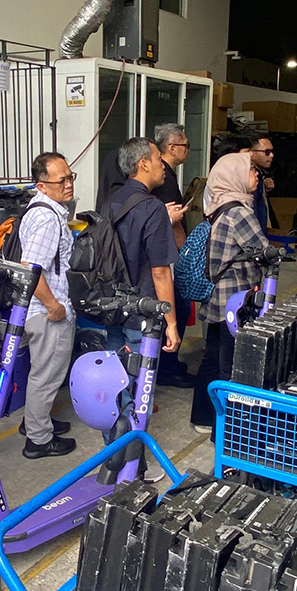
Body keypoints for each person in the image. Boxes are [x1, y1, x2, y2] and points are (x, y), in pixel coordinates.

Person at [190, 151, 269, 433]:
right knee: (230, 364)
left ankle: (202, 417)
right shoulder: (240, 212)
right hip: (235, 300)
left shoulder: (217, 205)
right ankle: (227, 430)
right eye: (250, 170)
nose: (256, 175)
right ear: (234, 174)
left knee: (211, 358)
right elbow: (263, 252)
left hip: (215, 296)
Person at [17, 152, 78, 458]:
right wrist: (53, 305)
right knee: (47, 373)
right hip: (46, 310)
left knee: (42, 371)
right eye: (61, 180)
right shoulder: (47, 218)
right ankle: (38, 440)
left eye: (70, 177)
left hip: (40, 308)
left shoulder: (45, 210)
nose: (68, 184)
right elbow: (31, 267)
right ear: (41, 185)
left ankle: (35, 422)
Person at [109, 137, 182, 358]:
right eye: (159, 159)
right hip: (143, 310)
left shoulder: (112, 200)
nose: (163, 166)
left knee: (115, 376)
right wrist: (171, 323)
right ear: (144, 164)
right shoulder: (153, 208)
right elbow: (160, 271)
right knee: (140, 383)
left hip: (113, 306)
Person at [152, 123, 198, 387]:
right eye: (185, 146)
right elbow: (175, 223)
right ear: (172, 148)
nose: (188, 151)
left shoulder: (167, 176)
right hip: (168, 255)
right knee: (175, 310)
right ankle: (168, 367)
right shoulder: (165, 179)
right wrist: (186, 254)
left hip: (165, 253)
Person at [250, 135, 277, 230]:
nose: (271, 155)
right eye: (267, 152)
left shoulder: (260, 175)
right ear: (252, 153)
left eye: (272, 151)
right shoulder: (244, 176)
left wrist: (265, 191)